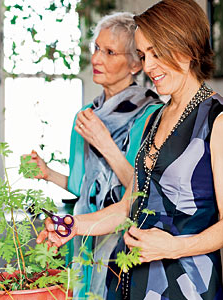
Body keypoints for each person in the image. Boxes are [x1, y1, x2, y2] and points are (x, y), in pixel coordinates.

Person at [37, 0, 223, 299]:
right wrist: (71, 225)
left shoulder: (217, 119)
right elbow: (128, 207)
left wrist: (177, 246)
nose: (148, 67)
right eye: (143, 55)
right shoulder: (155, 117)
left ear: (187, 48)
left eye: (156, 53)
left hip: (187, 287)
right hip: (129, 281)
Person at [28, 12, 162, 298]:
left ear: (136, 63)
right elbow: (81, 187)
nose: (97, 59)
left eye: (110, 52)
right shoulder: (85, 116)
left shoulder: (153, 116)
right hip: (81, 239)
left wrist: (105, 144)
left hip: (124, 247)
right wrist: (47, 173)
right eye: (96, 48)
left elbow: (143, 192)